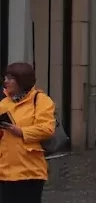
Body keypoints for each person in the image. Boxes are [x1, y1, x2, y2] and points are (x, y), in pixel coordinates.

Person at [0, 62, 56, 203]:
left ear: (22, 80)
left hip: (29, 172)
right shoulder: (4, 104)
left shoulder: (41, 101)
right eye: (6, 77)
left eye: (10, 78)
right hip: (4, 172)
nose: (6, 81)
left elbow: (47, 128)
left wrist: (21, 131)